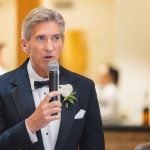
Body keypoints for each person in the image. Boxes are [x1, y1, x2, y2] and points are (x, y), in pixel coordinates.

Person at [0, 7, 105, 150]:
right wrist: (30, 125)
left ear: (62, 42)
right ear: (25, 44)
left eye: (56, 38)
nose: (49, 47)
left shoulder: (85, 87)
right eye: (41, 38)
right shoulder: (2, 87)